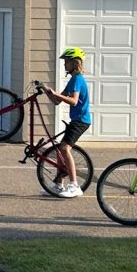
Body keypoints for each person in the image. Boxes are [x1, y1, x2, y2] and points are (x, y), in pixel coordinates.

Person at [42, 47, 92, 198]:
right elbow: (57, 101)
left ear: (75, 63)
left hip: (81, 121)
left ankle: (74, 185)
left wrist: (56, 93)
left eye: (67, 62)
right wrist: (47, 91)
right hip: (76, 120)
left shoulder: (78, 79)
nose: (64, 64)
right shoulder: (73, 80)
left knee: (65, 149)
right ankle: (59, 184)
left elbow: (74, 101)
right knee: (59, 150)